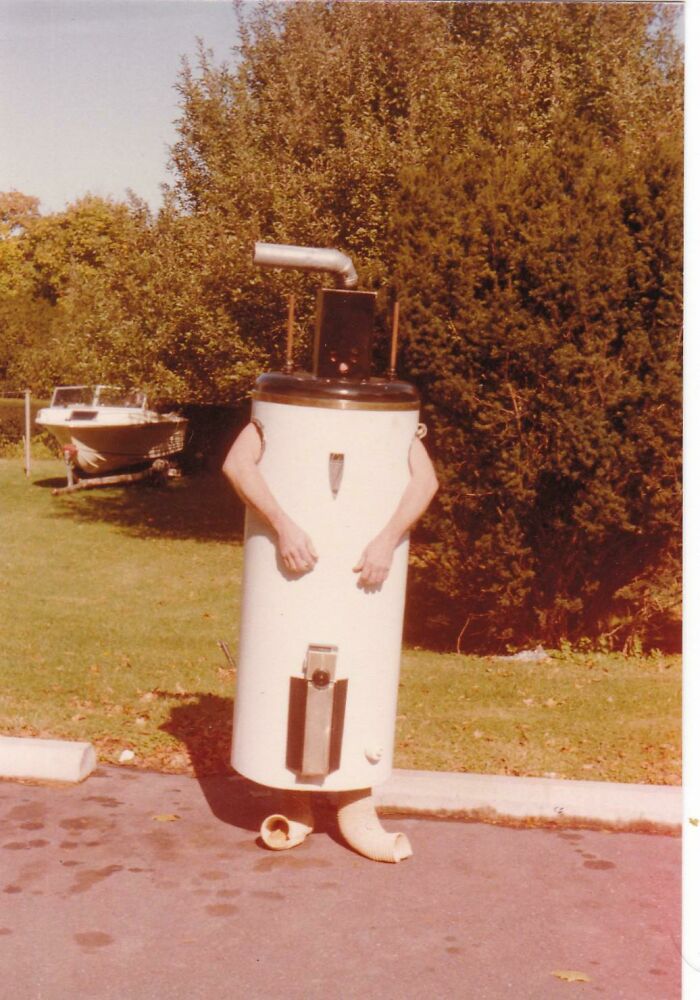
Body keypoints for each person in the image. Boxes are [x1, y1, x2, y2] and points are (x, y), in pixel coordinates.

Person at [222, 422, 438, 589]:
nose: (342, 367)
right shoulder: (279, 409)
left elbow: (426, 482)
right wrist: (282, 527)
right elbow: (236, 465)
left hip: (368, 567)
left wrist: (387, 541)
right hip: (287, 569)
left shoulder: (394, 420)